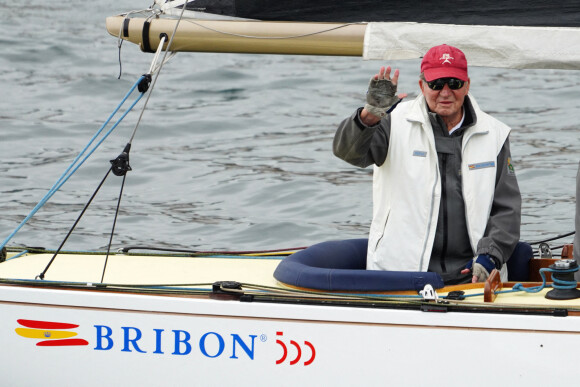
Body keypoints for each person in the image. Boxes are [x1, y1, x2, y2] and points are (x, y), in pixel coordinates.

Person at [333, 44, 521, 284]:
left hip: (473, 276)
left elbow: (507, 208)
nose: (445, 92)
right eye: (436, 84)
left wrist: (490, 256)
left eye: (454, 83)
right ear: (421, 86)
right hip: (399, 276)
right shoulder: (391, 120)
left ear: (467, 85)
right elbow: (347, 153)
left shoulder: (495, 134)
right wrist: (369, 116)